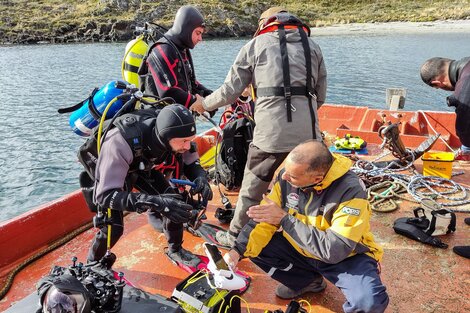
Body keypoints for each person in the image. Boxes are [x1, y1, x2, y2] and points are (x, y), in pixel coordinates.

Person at [190, 7, 327, 246]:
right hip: (309, 136)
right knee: (314, 184)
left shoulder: (254, 46)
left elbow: (229, 92)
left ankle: (234, 237)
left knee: (252, 187)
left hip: (269, 136)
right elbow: (321, 95)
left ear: (265, 23)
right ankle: (312, 234)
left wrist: (203, 104)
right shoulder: (313, 47)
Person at [223, 140, 389, 312]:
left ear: (317, 179)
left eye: (293, 176)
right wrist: (236, 252)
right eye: (286, 171)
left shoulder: (351, 192)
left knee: (369, 302)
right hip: (302, 247)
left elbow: (334, 251)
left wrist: (284, 219)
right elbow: (264, 219)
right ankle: (307, 282)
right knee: (254, 246)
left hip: (346, 257)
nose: (285, 177)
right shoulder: (286, 177)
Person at [87, 104, 212, 266]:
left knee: (173, 200)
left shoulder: (175, 133)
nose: (188, 146)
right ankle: (91, 264)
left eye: (190, 140)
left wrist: (200, 177)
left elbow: (191, 162)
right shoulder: (119, 141)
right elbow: (105, 195)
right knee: (114, 228)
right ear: (166, 136)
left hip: (139, 164)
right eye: (184, 141)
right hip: (107, 170)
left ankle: (175, 250)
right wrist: (156, 203)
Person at [141, 5, 214, 109]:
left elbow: (190, 82)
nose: (200, 38)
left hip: (177, 114)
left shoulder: (181, 49)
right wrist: (199, 103)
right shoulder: (162, 50)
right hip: (159, 117)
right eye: (198, 33)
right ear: (187, 29)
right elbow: (168, 92)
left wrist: (211, 97)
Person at [420, 57, 470, 162]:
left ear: (437, 83)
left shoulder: (465, 83)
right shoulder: (466, 63)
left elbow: (464, 129)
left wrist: (466, 147)